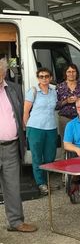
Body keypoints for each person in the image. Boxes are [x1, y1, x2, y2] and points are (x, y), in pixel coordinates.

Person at [0, 58, 37, 232]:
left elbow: (20, 114)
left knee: (13, 186)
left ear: (5, 72)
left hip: (11, 146)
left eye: (0, 70)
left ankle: (16, 222)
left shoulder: (13, 89)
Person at [23, 67, 58, 196]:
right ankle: (41, 183)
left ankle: (46, 180)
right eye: (41, 76)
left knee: (50, 157)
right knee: (37, 157)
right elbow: (26, 111)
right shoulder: (33, 91)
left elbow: (57, 106)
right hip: (35, 128)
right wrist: (26, 129)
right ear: (38, 78)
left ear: (51, 78)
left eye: (47, 76)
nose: (44, 79)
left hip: (51, 128)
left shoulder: (54, 91)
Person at [56, 64, 80, 157]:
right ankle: (65, 169)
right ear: (65, 73)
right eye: (69, 71)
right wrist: (66, 101)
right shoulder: (60, 87)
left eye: (73, 71)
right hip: (65, 119)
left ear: (77, 73)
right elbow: (55, 105)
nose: (71, 74)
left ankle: (79, 166)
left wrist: (79, 100)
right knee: (66, 144)